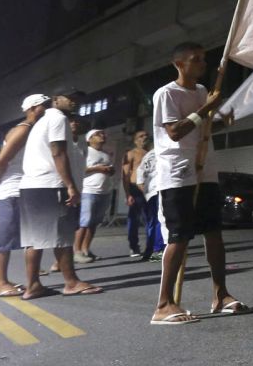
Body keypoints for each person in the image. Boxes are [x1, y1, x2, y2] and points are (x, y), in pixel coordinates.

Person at [150, 42, 247, 325]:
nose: (203, 64)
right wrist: (206, 108)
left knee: (213, 231)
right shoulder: (166, 94)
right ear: (179, 64)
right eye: (196, 60)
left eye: (204, 59)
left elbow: (202, 126)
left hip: (205, 169)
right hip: (178, 172)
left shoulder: (203, 91)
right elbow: (175, 132)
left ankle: (221, 295)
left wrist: (220, 121)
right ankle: (164, 304)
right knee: (179, 236)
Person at [17, 89, 101, 299]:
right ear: (55, 100)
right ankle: (71, 282)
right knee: (62, 236)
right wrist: (70, 185)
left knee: (35, 239)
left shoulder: (42, 121)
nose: (75, 103)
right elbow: (58, 152)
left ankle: (33, 285)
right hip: (50, 184)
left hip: (32, 185)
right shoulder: (57, 118)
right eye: (70, 98)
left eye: (77, 100)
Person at [0, 94, 47, 297]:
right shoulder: (23, 129)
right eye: (45, 105)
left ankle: (28, 283)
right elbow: (1, 161)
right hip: (12, 191)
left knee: (33, 238)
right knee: (4, 238)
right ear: (33, 108)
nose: (49, 109)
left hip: (29, 190)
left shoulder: (35, 130)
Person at [75, 128, 114, 261]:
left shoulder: (106, 154)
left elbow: (109, 170)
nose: (102, 135)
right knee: (84, 222)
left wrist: (110, 170)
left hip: (104, 191)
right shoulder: (86, 152)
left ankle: (86, 249)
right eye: (98, 134)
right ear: (89, 139)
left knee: (94, 222)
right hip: (89, 191)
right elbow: (80, 169)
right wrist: (99, 168)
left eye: (103, 133)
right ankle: (77, 251)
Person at [123, 130, 152, 258]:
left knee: (150, 219)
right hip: (135, 189)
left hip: (149, 188)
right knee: (133, 219)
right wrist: (128, 194)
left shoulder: (151, 154)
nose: (144, 137)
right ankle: (134, 247)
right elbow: (125, 175)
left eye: (146, 135)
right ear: (135, 140)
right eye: (141, 136)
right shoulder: (131, 154)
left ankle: (150, 247)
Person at [135, 146, 165, 260]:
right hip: (162, 188)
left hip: (151, 192)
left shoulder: (147, 156)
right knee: (161, 220)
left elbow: (139, 179)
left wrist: (147, 192)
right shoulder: (164, 151)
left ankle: (149, 250)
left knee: (152, 222)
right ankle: (158, 250)